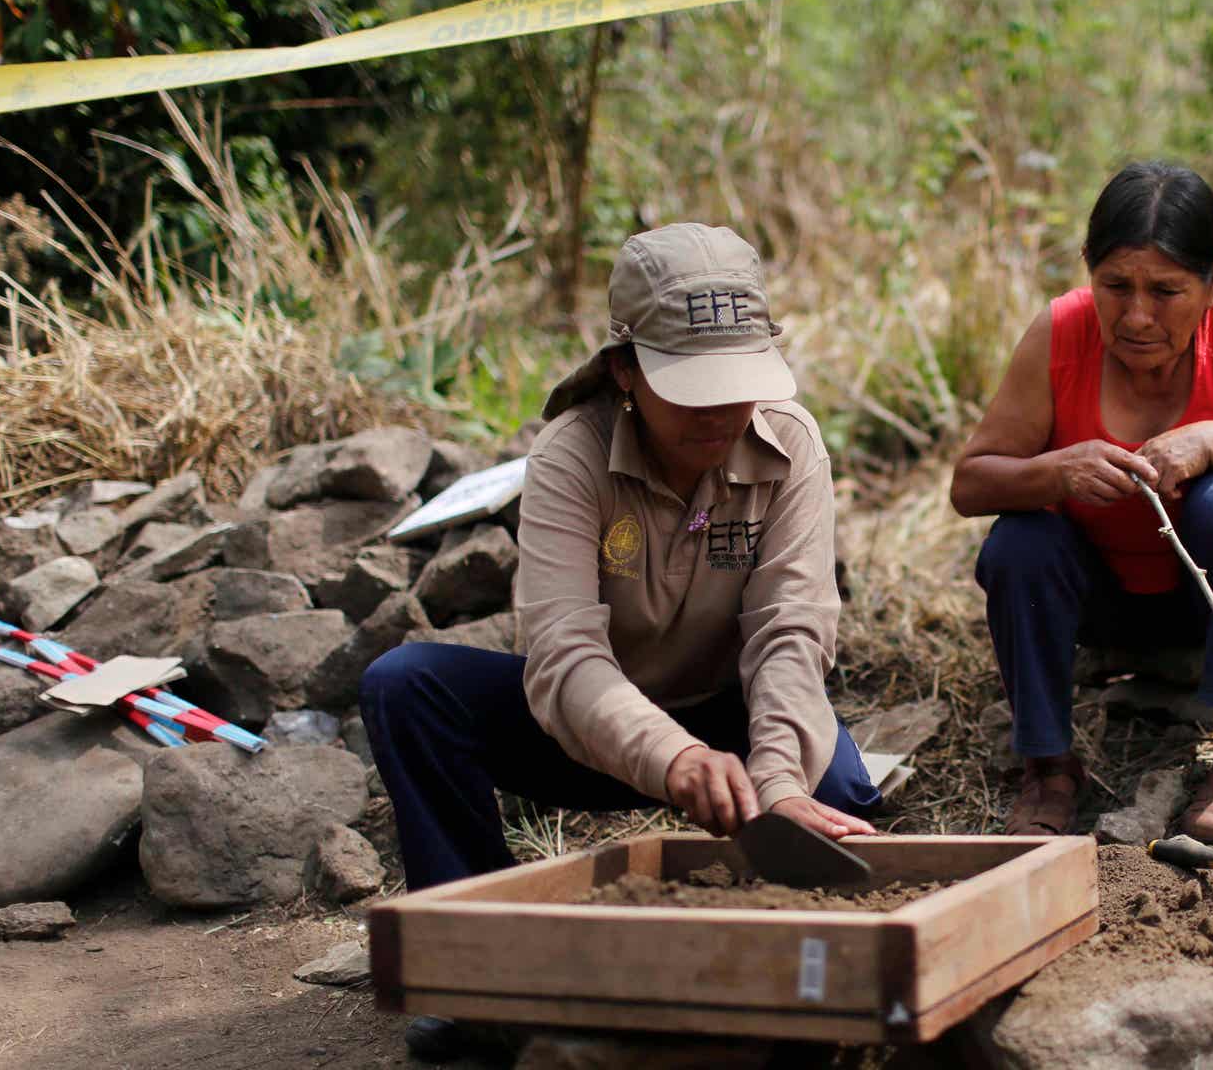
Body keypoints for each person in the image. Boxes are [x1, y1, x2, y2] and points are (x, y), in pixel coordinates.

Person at [362, 223, 882, 1061]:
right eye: (692, 385)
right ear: (624, 369)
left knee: (840, 800)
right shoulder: (569, 458)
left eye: (737, 382)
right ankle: (469, 966)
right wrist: (671, 760)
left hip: (729, 726)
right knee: (404, 685)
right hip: (593, 732)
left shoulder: (792, 446)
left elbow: (791, 629)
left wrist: (776, 777)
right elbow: (564, 657)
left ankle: (766, 970)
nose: (720, 408)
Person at [950, 161, 1213, 842]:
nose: (1136, 316)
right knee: (1020, 540)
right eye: (1115, 286)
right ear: (1087, 269)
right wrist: (1057, 470)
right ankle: (1047, 764)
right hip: (1103, 608)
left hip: (1212, 610)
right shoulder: (1060, 333)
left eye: (1166, 291)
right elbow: (970, 485)